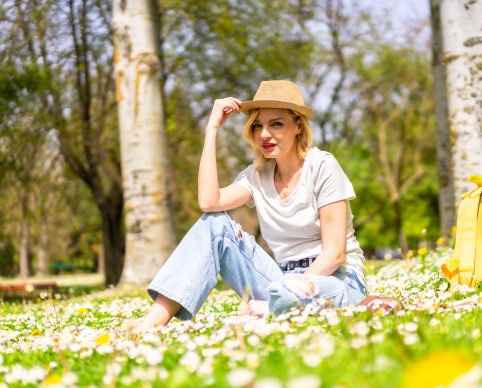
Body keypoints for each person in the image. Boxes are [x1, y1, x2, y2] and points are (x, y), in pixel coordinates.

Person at [138, 80, 367, 330]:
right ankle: (149, 326)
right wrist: (212, 129)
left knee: (288, 294)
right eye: (257, 126)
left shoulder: (322, 165)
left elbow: (335, 254)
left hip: (335, 281)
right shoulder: (256, 176)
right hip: (283, 280)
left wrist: (280, 297)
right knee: (214, 225)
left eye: (276, 124)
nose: (264, 134)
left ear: (298, 126)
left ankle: (273, 308)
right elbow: (209, 202)